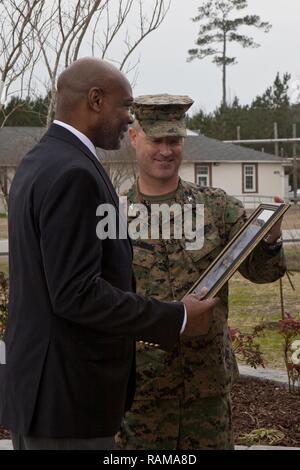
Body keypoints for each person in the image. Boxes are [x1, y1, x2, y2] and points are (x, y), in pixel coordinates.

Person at [0, 61, 218, 450]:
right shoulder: (73, 173)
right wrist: (178, 317)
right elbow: (76, 294)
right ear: (96, 100)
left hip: (44, 394)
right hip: (69, 402)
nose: (129, 119)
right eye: (126, 107)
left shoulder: (39, 161)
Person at [116, 94, 287, 450]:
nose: (166, 150)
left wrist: (269, 240)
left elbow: (261, 272)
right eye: (156, 140)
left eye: (174, 141)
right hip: (141, 396)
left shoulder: (217, 206)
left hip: (206, 393)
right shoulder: (113, 216)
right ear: (135, 138)